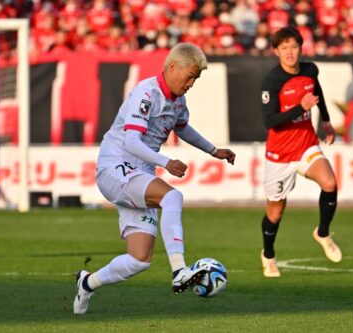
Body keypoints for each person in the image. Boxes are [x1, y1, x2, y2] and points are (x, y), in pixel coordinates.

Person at [73, 43, 236, 314]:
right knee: (172, 196)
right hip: (116, 166)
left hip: (140, 175)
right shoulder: (146, 93)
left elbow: (183, 128)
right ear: (172, 67)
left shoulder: (178, 101)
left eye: (196, 78)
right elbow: (132, 141)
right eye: (190, 75)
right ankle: (179, 271)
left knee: (139, 259)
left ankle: (87, 283)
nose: (192, 83)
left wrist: (213, 150)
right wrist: (166, 162)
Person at [259, 27, 342, 278]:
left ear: (300, 48)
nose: (289, 52)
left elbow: (317, 93)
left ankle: (323, 233)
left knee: (329, 183)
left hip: (306, 144)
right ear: (276, 51)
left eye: (293, 47)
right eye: (283, 48)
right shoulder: (271, 82)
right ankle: (268, 255)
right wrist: (299, 108)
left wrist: (326, 120)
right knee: (275, 212)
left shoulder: (310, 70)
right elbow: (270, 121)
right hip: (279, 154)